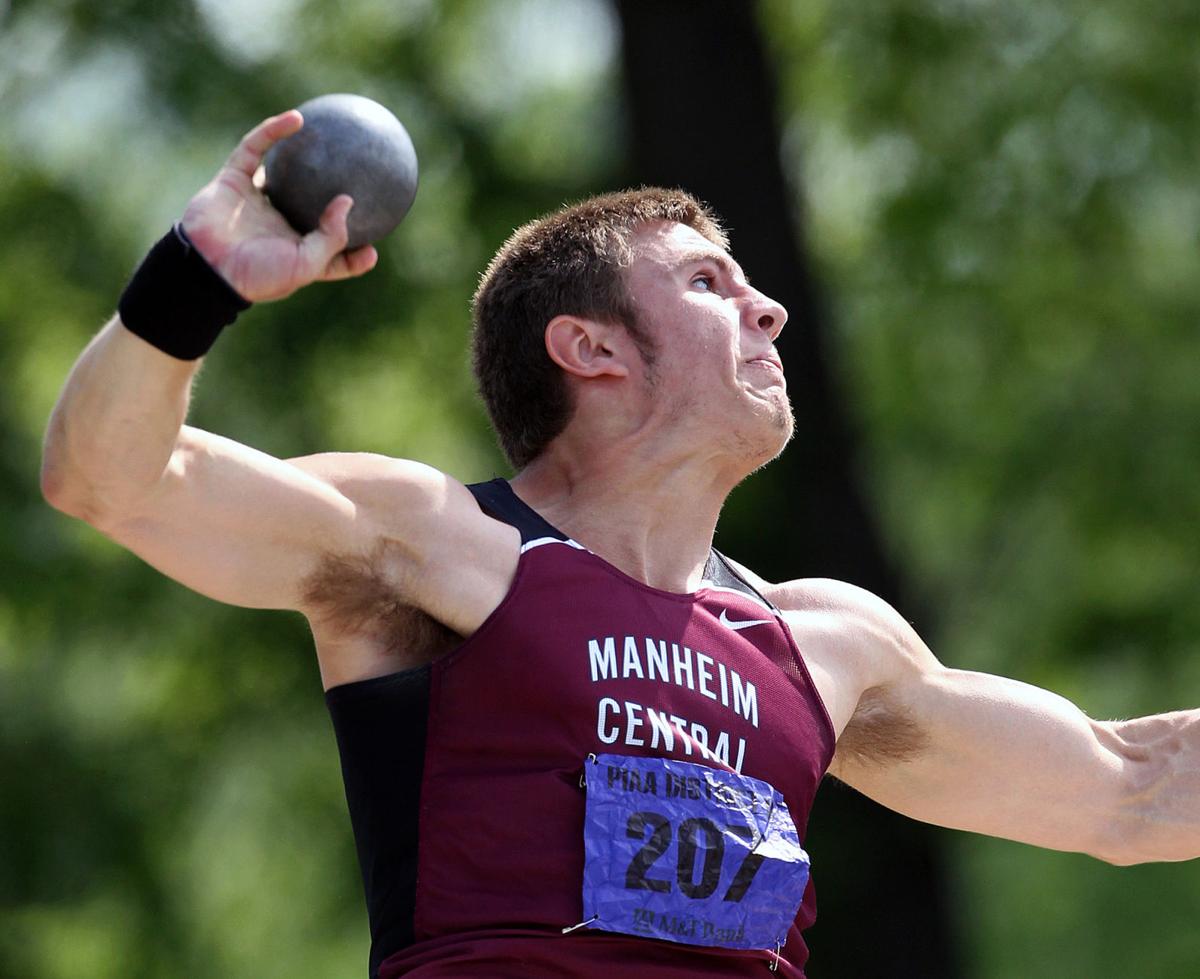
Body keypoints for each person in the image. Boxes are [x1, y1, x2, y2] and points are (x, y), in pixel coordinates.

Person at [41, 110, 1200, 979]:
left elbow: (1134, 791)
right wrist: (194, 280)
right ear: (591, 349)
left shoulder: (828, 645)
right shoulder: (436, 546)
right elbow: (112, 480)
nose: (769, 309)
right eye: (709, 280)